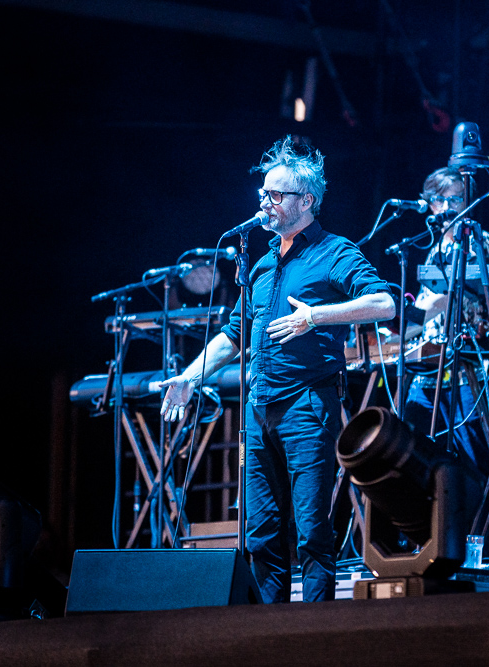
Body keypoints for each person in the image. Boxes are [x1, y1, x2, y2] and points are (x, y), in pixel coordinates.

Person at [159, 136, 395, 603]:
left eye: (276, 194)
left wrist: (316, 316)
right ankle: (269, 630)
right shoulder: (262, 262)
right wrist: (189, 377)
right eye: (262, 193)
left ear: (306, 201)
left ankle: (314, 629)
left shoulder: (335, 252)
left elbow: (384, 303)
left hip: (308, 404)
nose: (265, 201)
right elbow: (234, 334)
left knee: (311, 531)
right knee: (261, 533)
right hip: (259, 408)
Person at [402, 166, 489, 479]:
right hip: (429, 368)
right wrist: (392, 335)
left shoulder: (479, 241)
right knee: (412, 455)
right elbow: (425, 309)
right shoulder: (434, 250)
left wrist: (407, 318)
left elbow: (450, 296)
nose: (447, 207)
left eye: (455, 199)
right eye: (439, 200)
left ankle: (477, 512)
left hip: (467, 369)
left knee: (472, 463)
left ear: (468, 202)